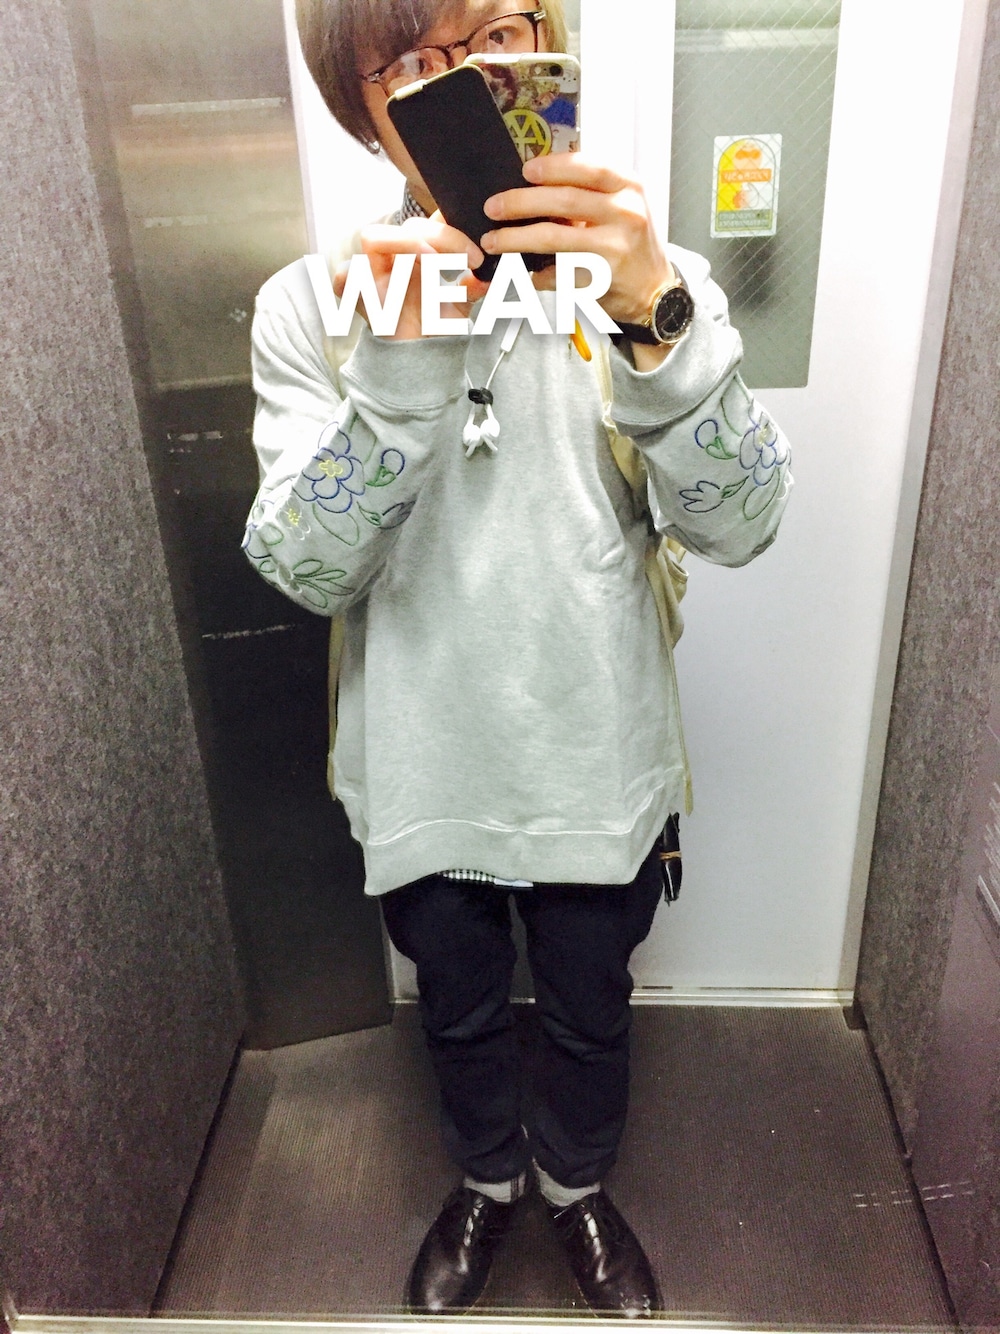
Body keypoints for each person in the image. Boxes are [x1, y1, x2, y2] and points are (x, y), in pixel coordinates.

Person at [244, 0, 792, 1317]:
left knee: (594, 1009)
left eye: (494, 39)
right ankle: (490, 1184)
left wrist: (656, 319)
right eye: (411, 64)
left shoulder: (644, 275)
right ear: (364, 107)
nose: (459, 86)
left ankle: (576, 1187)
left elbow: (745, 525)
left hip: (598, 760)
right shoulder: (315, 304)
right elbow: (305, 569)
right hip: (423, 761)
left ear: (547, 49)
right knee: (459, 1008)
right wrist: (397, 369)